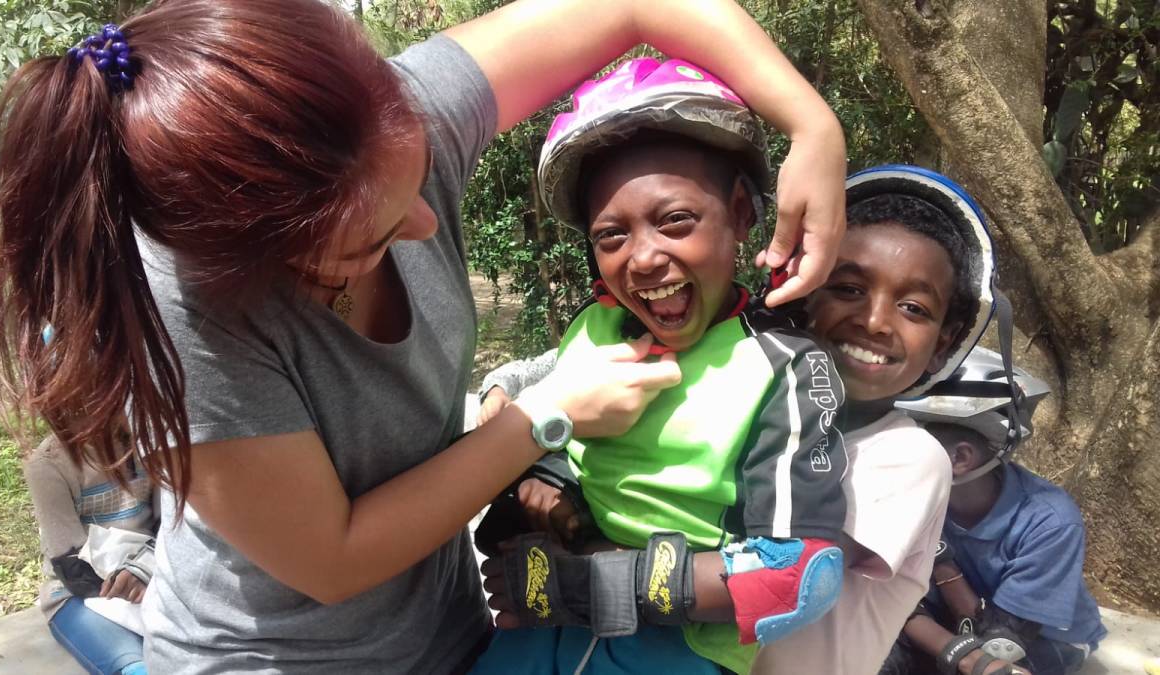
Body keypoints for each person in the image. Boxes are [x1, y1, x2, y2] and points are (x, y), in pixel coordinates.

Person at [0, 0, 849, 671]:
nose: (428, 227)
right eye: (376, 236)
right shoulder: (190, 312)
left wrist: (812, 124)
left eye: (420, 176)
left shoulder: (378, 119)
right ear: (264, 260)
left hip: (456, 633)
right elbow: (333, 557)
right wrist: (543, 419)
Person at [470, 57, 849, 675]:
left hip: (680, 650)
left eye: (675, 221)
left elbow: (799, 577)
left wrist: (588, 583)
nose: (643, 258)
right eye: (611, 236)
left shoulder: (785, 369)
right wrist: (550, 482)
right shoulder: (594, 328)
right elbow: (573, 448)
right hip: (541, 635)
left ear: (741, 214)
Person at [747, 165, 1004, 675]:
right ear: (803, 297)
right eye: (848, 288)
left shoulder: (910, 457)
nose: (874, 321)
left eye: (913, 308)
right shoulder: (760, 418)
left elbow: (782, 576)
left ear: (943, 342)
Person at [879, 347, 1108, 675]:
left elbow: (1001, 642)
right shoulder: (907, 494)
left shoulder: (1050, 522)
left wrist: (940, 562)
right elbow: (889, 602)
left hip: (1043, 638)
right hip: (953, 623)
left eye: (905, 442)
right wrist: (957, 650)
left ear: (960, 459)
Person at [25, 433, 155, 675]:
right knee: (138, 669)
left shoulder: (149, 439)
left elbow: (174, 527)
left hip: (155, 574)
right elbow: (71, 566)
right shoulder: (48, 465)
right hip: (78, 595)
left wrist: (147, 572)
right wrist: (132, 583)